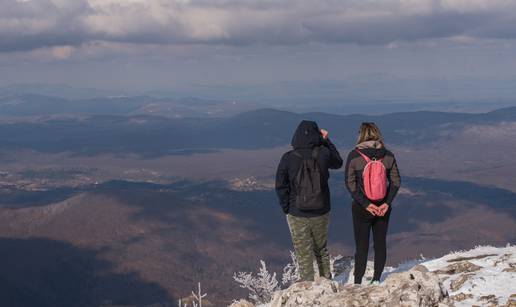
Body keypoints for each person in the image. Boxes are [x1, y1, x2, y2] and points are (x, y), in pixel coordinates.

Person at [275, 120, 343, 282]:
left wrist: (287, 208)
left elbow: (280, 185)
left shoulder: (288, 158)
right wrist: (327, 140)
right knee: (321, 249)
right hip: (321, 209)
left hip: (296, 212)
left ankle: (307, 285)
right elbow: (338, 162)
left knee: (303, 252)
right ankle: (326, 281)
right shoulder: (324, 153)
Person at [344, 122, 401, 285]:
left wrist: (366, 204)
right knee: (380, 243)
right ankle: (376, 279)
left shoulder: (354, 156)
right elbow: (396, 182)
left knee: (361, 246)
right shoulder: (388, 155)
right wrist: (387, 203)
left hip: (362, 208)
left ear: (361, 135)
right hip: (383, 207)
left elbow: (350, 184)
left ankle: (357, 281)